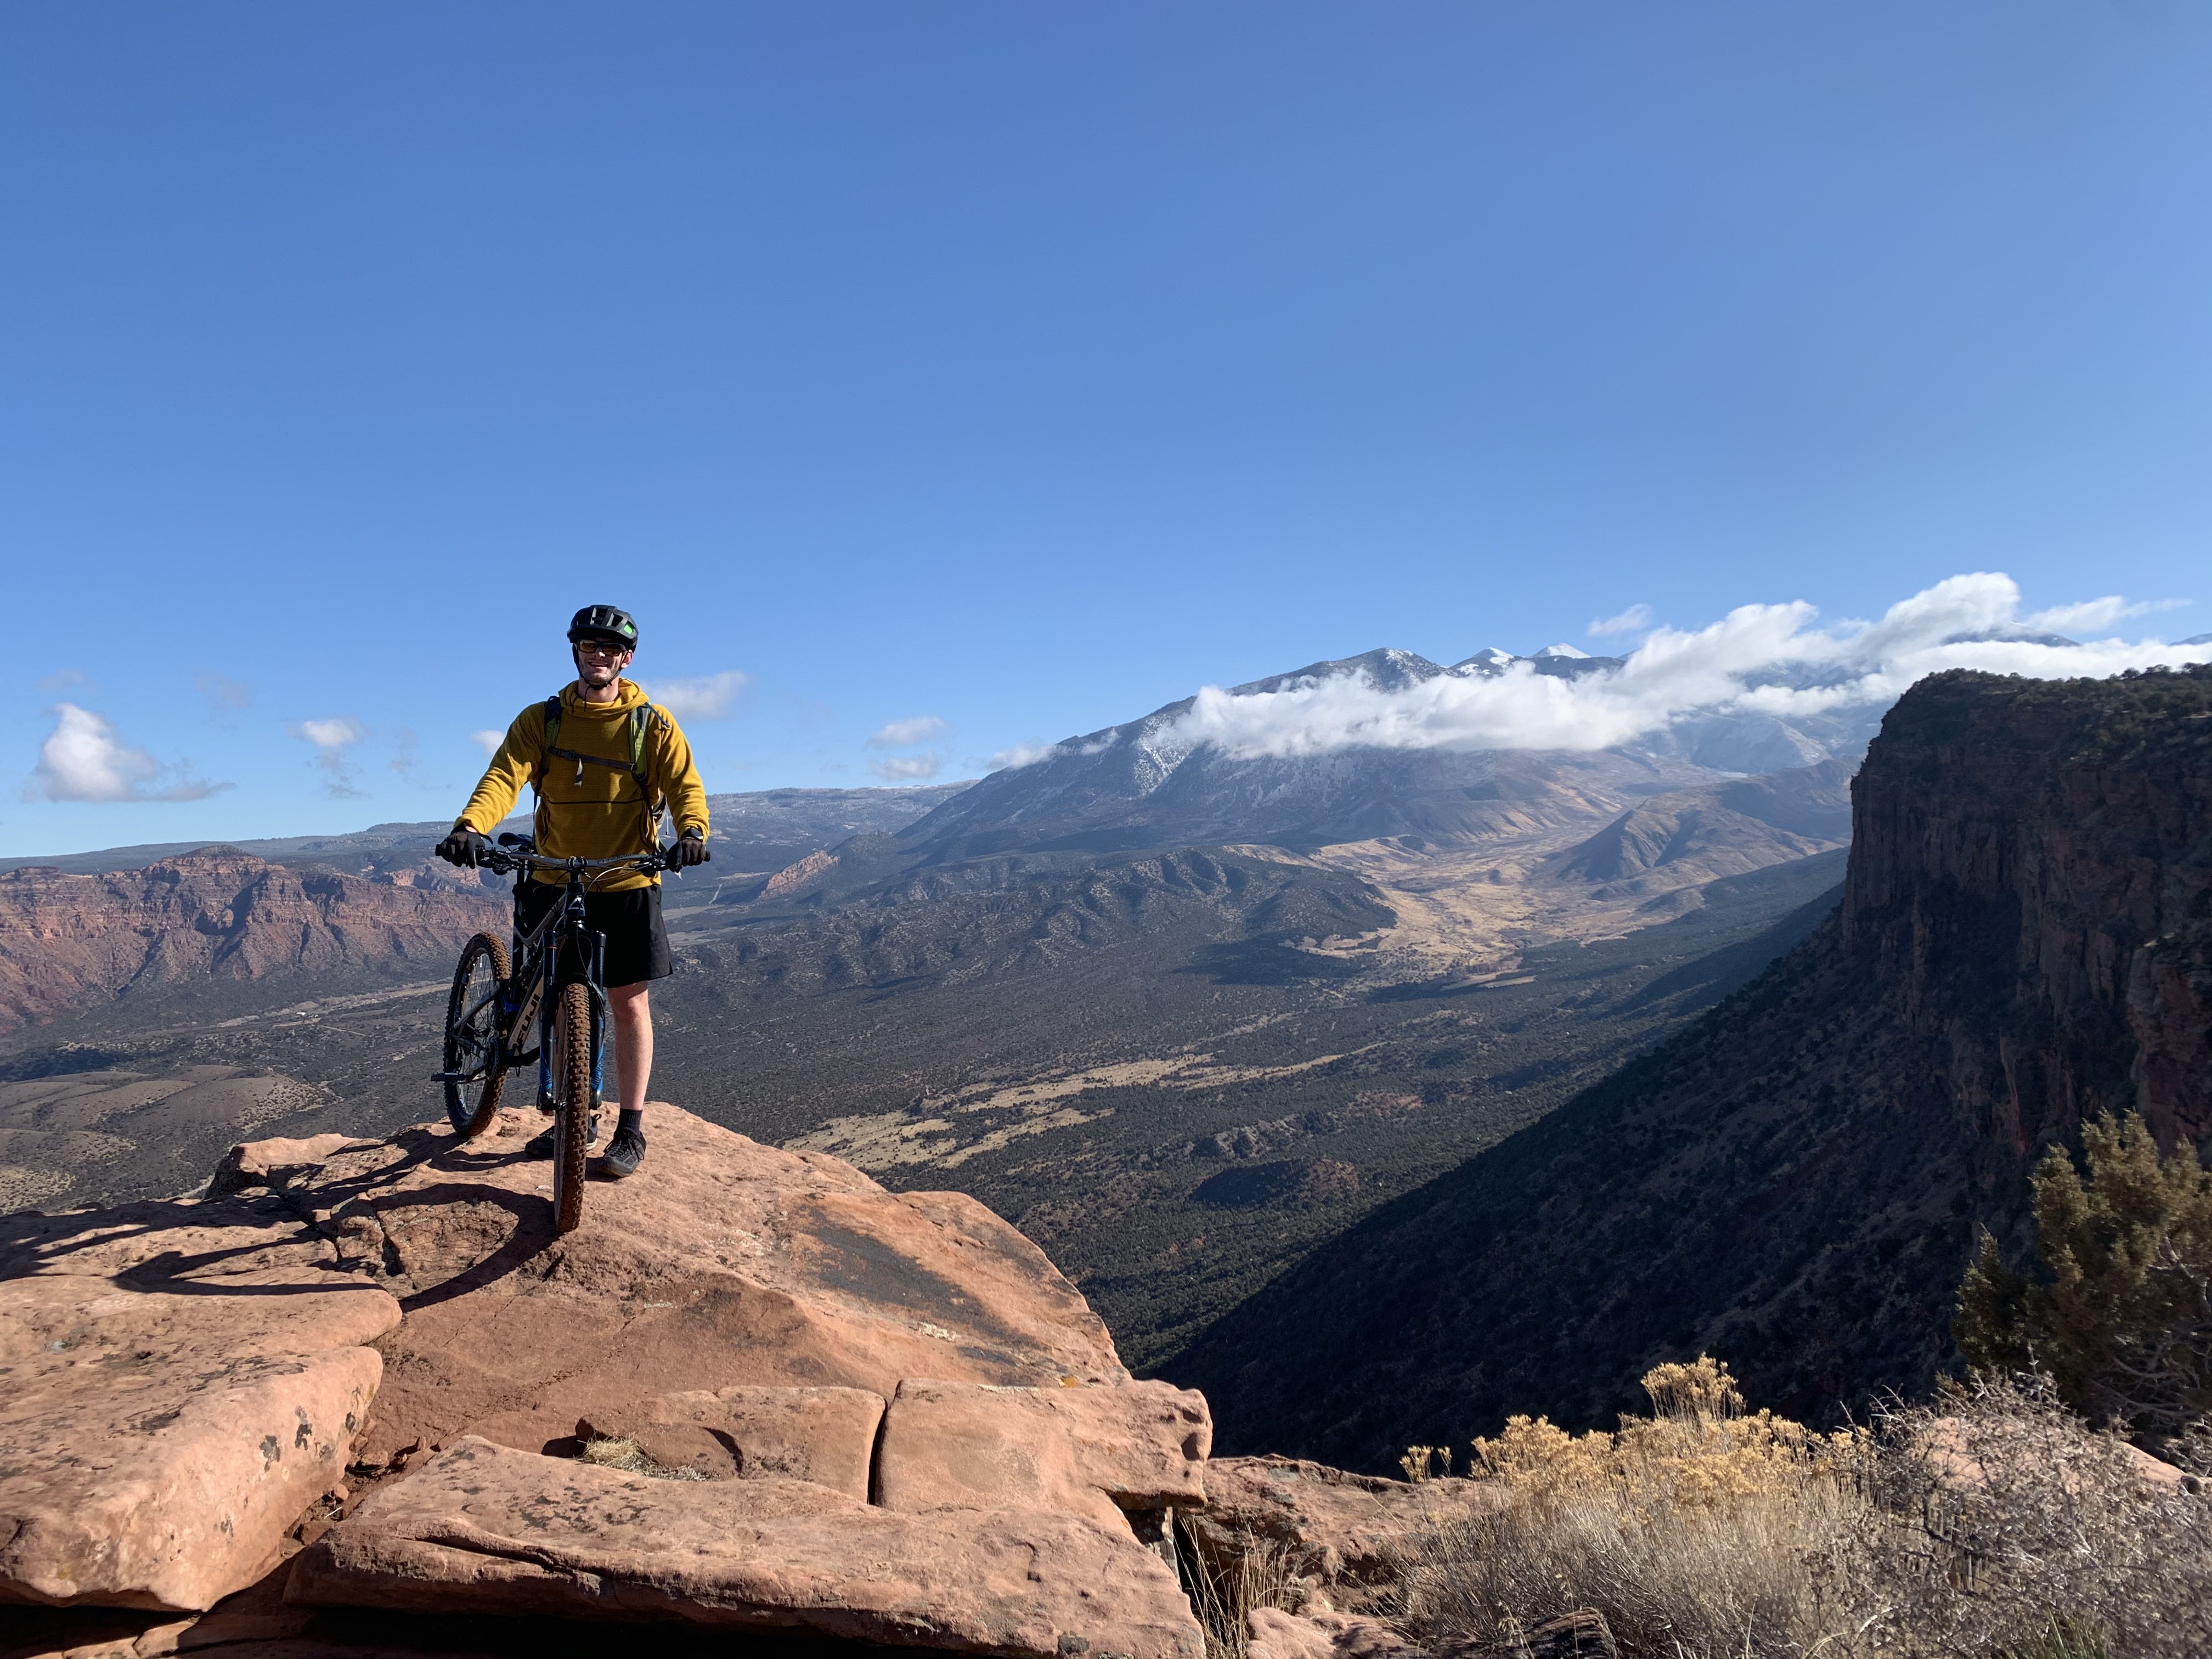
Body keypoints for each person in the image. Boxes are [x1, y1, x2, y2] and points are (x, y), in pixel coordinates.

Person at [435, 605, 710, 1178]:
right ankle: (573, 1113)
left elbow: (685, 784)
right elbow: (504, 776)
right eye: (589, 646)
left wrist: (693, 833)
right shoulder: (544, 720)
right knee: (555, 997)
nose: (599, 655)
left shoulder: (651, 725)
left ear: (626, 658)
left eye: (610, 648)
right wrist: (471, 826)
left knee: (629, 1003)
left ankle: (629, 1129)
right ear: (576, 653)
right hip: (551, 873)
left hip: (626, 877)